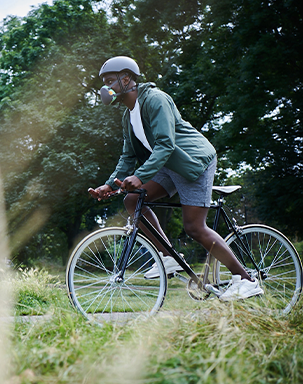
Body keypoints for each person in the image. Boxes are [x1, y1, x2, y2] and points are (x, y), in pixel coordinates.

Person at [88, 56, 263, 301]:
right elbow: (128, 155)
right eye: (104, 83)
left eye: (110, 81)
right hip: (168, 164)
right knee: (131, 200)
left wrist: (140, 176)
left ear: (126, 78)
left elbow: (166, 144)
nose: (105, 88)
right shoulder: (128, 116)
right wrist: (108, 184)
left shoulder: (155, 100)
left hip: (192, 162)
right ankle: (168, 257)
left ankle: (245, 280)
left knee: (193, 227)